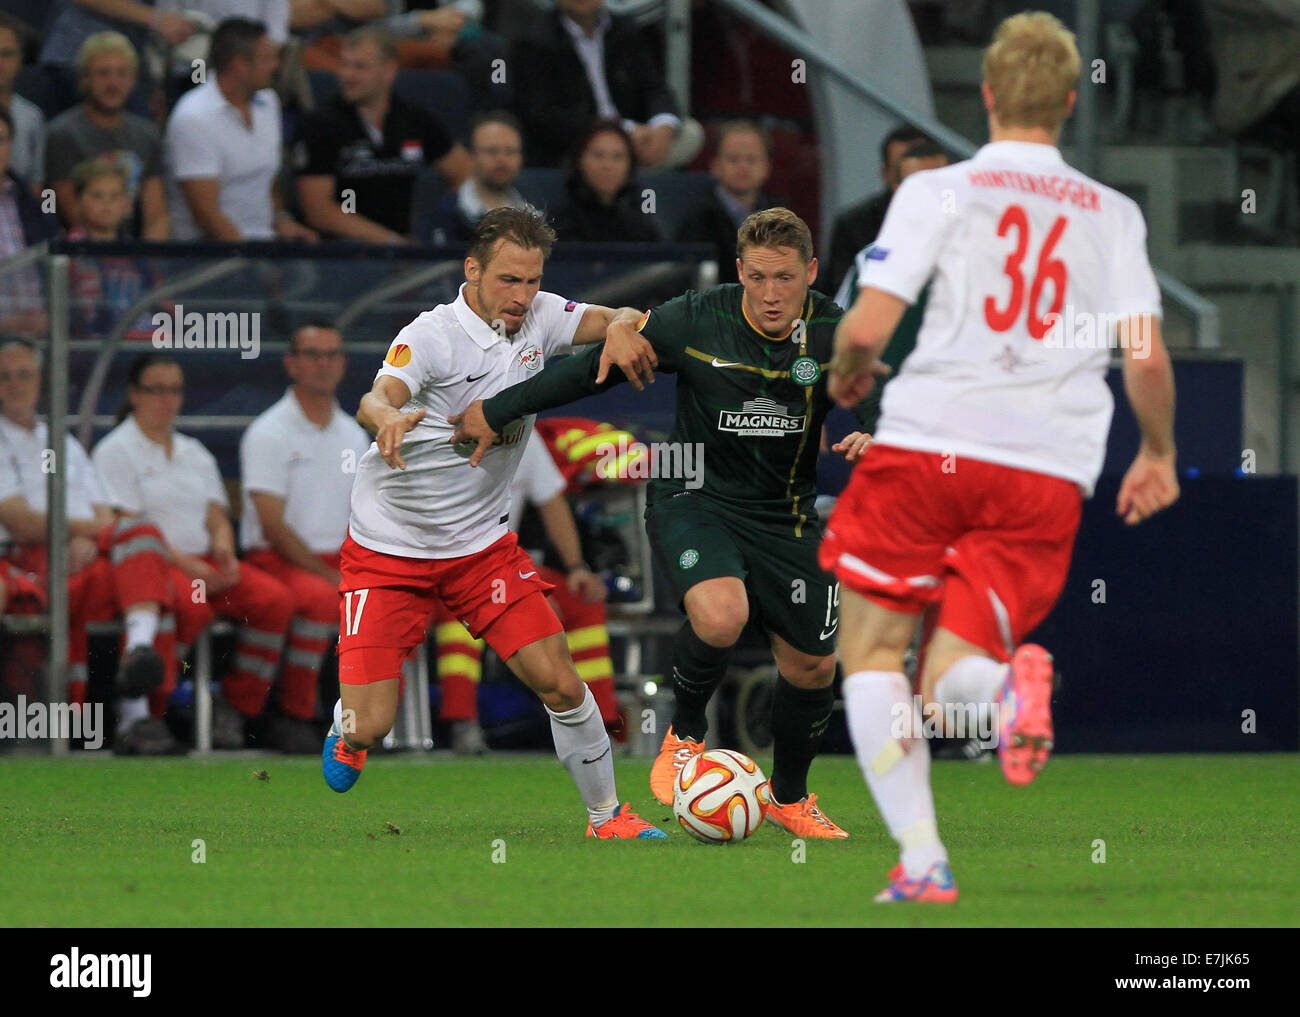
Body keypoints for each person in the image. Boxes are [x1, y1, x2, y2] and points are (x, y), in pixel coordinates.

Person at [821, 11, 1178, 903]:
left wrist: (847, 374)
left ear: (984, 95)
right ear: (1066, 101)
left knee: (871, 653)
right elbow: (1145, 355)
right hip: (1046, 470)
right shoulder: (1114, 214)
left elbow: (866, 324)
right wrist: (1160, 452)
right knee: (948, 689)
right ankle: (1005, 692)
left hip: (931, 445)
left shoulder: (937, 190)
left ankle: (923, 856)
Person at [453, 207, 854, 840]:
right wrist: (499, 408)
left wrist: (866, 428)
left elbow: (883, 387)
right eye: (756, 277)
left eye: (785, 279)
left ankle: (790, 796)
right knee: (722, 615)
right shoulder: (696, 319)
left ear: (809, 272)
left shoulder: (837, 333)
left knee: (814, 669)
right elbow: (589, 370)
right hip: (695, 496)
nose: (771, 295)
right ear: (739, 272)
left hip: (788, 514)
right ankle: (686, 733)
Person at [325, 205, 667, 839]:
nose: (522, 296)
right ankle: (346, 725)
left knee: (560, 682)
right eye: (509, 281)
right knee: (370, 724)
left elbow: (612, 317)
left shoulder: (540, 315)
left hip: (482, 550)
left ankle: (607, 816)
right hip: (387, 550)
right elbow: (379, 395)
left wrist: (622, 323)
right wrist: (385, 419)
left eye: (533, 281)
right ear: (472, 270)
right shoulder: (430, 335)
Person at [92, 353, 300, 750]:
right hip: (159, 566)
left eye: (174, 390)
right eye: (155, 390)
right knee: (187, 604)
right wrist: (191, 568)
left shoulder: (193, 451)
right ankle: (146, 714)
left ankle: (235, 704)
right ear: (134, 394)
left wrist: (223, 546)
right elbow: (132, 531)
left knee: (275, 600)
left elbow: (216, 511)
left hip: (205, 563)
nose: (166, 400)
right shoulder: (116, 450)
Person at [0, 339, 178, 754]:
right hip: (31, 562)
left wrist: (88, 536)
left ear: (41, 381)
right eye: (4, 377)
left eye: (24, 374)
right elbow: (21, 522)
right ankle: (136, 707)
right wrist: (81, 533)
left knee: (148, 566)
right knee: (145, 557)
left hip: (86, 560)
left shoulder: (58, 439)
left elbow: (104, 513)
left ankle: (138, 691)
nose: (15, 385)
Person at [434, 430, 618, 754]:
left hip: (500, 567)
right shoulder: (438, 430)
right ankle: (462, 723)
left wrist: (576, 567)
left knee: (580, 598)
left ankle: (596, 728)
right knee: (461, 603)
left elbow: (552, 502)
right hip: (440, 563)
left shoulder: (522, 432)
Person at [239, 322, 372, 752]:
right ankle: (292, 714)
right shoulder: (268, 432)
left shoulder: (353, 433)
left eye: (332, 354)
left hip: (337, 558)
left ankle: (370, 722)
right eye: (313, 355)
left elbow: (365, 511)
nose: (324, 364)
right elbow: (271, 524)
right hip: (277, 558)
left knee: (388, 601)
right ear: (291, 363)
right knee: (318, 597)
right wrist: (325, 573)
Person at [294, 24, 470, 244]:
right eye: (344, 65)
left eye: (360, 67)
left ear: (389, 71)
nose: (348, 75)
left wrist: (434, 225)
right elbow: (319, 210)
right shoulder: (320, 124)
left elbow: (465, 173)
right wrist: (389, 241)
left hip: (406, 257)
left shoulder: (415, 119)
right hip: (338, 256)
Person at [164, 17, 316, 242]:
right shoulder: (193, 118)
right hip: (207, 256)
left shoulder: (269, 102)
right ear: (239, 66)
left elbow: (266, 182)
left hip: (264, 246)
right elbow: (206, 215)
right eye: (267, 59)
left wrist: (283, 221)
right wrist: (250, 261)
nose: (276, 66)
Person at [509, 0, 702, 169]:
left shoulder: (625, 30)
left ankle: (627, 178)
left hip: (635, 138)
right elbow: (544, 115)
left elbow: (654, 87)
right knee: (604, 153)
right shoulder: (535, 41)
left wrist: (662, 126)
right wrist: (621, 130)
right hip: (579, 143)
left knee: (690, 133)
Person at [45, 31, 170, 240]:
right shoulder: (62, 134)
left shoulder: (147, 134)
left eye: (122, 73)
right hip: (82, 250)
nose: (113, 83)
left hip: (134, 253)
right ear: (85, 79)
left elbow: (156, 216)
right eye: (103, 73)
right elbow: (73, 213)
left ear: (133, 81)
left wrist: (149, 262)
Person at [66, 158, 165, 341]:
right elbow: (84, 316)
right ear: (78, 202)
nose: (107, 203)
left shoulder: (137, 253)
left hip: (144, 339)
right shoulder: (70, 252)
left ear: (126, 205)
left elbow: (161, 301)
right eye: (97, 196)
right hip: (96, 344)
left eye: (115, 196)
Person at [824, 124, 926, 290]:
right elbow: (841, 291)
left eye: (920, 173)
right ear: (885, 173)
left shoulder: (959, 219)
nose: (911, 181)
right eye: (900, 171)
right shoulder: (853, 225)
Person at [675, 119, 780, 262]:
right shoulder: (697, 218)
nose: (743, 167)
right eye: (733, 159)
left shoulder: (780, 215)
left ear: (767, 167)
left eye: (752, 159)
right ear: (715, 166)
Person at [421, 110, 528, 246]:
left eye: (510, 151)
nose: (502, 160)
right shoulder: (442, 217)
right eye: (491, 151)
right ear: (472, 156)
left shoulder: (537, 216)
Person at [550, 118, 659, 243]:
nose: (607, 165)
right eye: (598, 155)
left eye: (618, 157)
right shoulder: (560, 222)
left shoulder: (639, 216)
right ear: (579, 161)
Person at [0, 106, 57, 340]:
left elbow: (53, 268)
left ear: (11, 146)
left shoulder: (34, 206)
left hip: (35, 339)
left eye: (1, 140)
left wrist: (49, 316)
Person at [0, 13, 44, 196]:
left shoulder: (32, 116)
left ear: (20, 60)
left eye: (6, 54)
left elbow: (38, 185)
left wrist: (43, 221)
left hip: (18, 216)